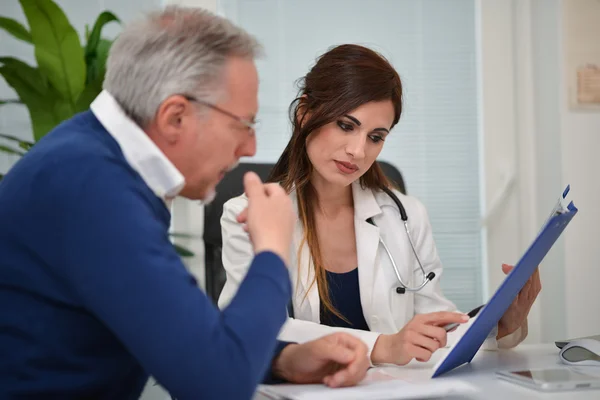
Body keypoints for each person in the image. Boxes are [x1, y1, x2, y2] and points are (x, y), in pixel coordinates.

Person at [0, 7, 370, 400]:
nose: (250, 148)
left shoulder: (93, 163)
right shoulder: (92, 189)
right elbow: (216, 385)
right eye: (243, 125)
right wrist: (273, 251)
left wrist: (284, 360)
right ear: (175, 117)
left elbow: (179, 334)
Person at [219, 44, 542, 366]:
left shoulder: (405, 214)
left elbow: (432, 326)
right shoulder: (248, 215)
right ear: (305, 113)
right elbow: (253, 330)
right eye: (346, 126)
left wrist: (499, 326)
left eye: (376, 136)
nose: (358, 151)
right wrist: (382, 347)